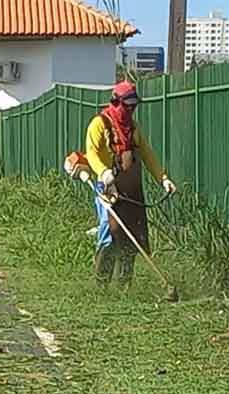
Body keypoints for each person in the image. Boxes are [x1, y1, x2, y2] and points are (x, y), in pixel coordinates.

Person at [85, 80, 177, 288]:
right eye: (127, 106)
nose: (131, 110)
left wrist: (163, 178)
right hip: (108, 188)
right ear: (116, 102)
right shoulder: (100, 124)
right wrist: (103, 172)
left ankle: (124, 285)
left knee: (132, 235)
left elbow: (147, 155)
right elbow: (91, 152)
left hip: (131, 190)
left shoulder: (133, 128)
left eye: (134, 106)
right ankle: (101, 284)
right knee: (110, 232)